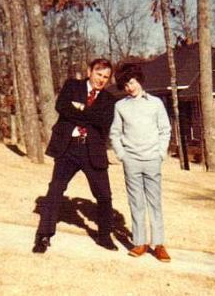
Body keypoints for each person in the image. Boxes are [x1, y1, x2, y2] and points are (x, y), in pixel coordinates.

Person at [33, 58, 117, 253]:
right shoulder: (72, 86)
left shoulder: (109, 99)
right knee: (55, 190)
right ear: (89, 71)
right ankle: (43, 236)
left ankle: (104, 236)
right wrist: (89, 114)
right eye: (98, 74)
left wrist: (79, 109)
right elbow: (62, 107)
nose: (101, 80)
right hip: (68, 148)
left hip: (93, 151)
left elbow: (103, 122)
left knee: (104, 196)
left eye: (106, 77)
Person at [109, 63, 172, 262]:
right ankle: (140, 242)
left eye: (133, 82)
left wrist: (160, 153)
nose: (130, 87)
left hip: (152, 159)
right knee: (136, 202)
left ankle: (159, 244)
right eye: (126, 85)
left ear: (139, 81)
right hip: (132, 161)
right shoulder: (121, 106)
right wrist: (122, 155)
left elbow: (165, 130)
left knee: (154, 202)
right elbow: (115, 133)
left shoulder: (155, 103)